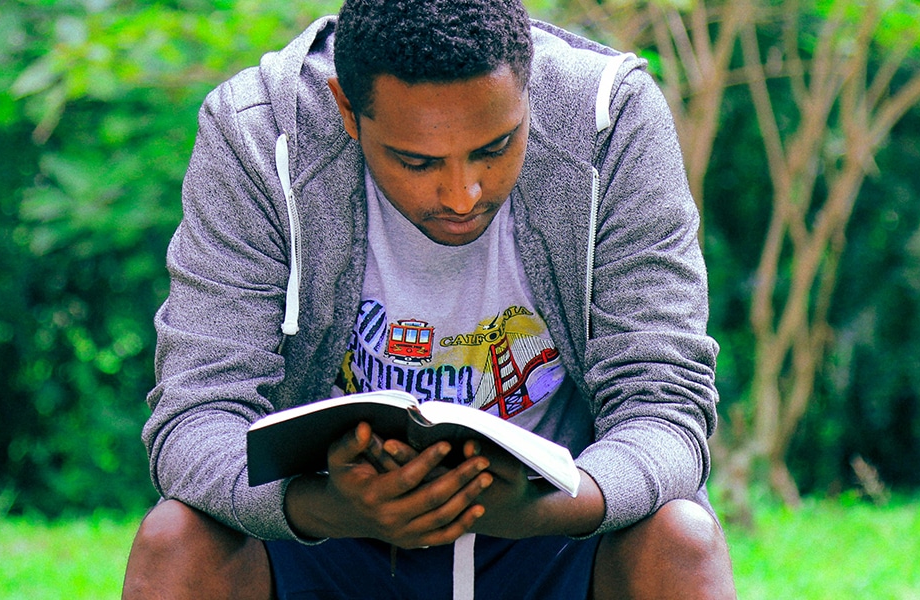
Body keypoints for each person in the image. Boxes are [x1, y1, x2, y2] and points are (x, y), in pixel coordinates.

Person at [122, 0, 735, 598]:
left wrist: (540, 507)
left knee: (679, 538)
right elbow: (194, 418)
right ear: (346, 108)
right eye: (415, 161)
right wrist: (329, 507)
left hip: (559, 523)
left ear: (531, 88)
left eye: (496, 148)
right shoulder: (258, 134)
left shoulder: (608, 120)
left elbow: (666, 408)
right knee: (176, 539)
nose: (462, 193)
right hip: (323, 533)